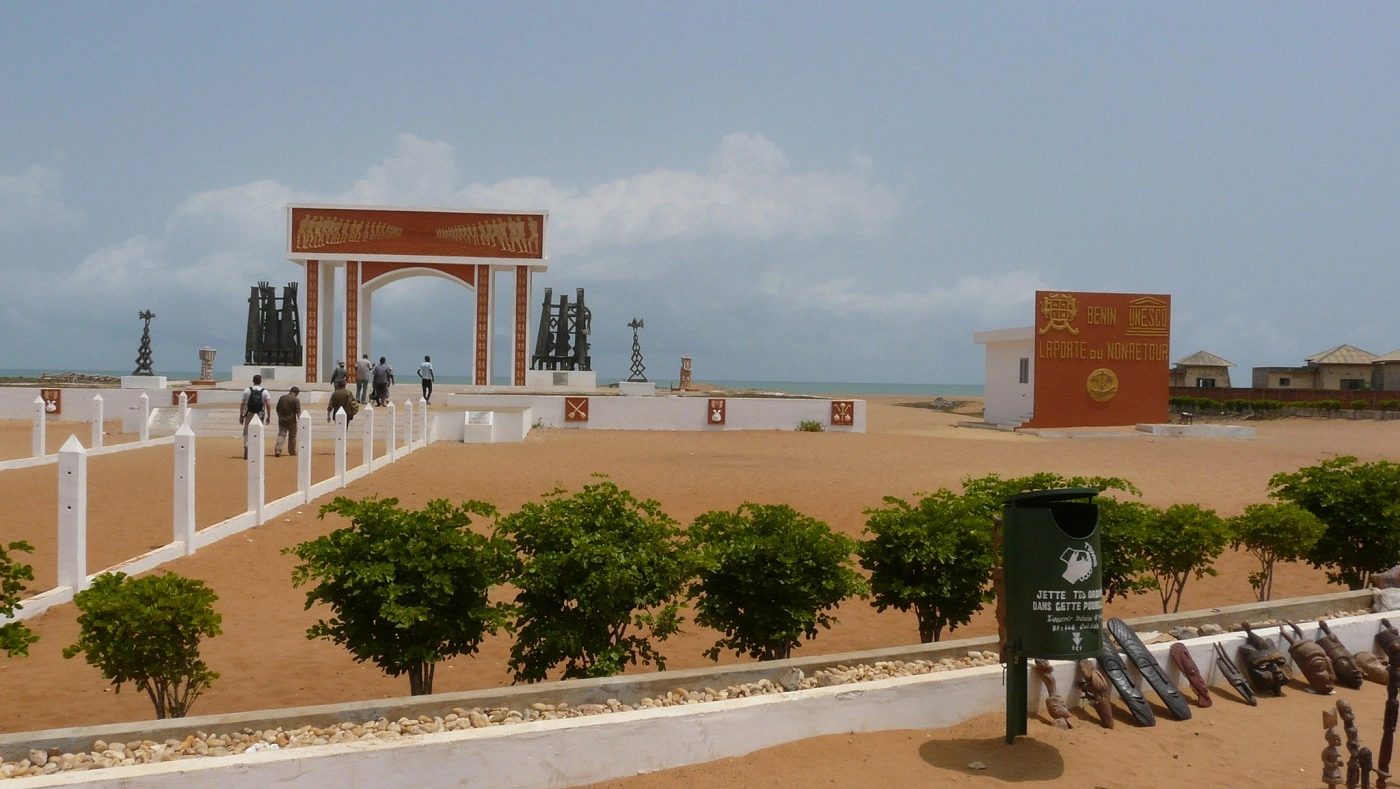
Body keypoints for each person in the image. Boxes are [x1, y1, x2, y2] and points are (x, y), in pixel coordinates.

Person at [239, 374, 270, 460]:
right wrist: (268, 416)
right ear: (260, 381)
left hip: (249, 413)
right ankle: (257, 449)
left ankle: (246, 447)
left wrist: (241, 415)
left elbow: (242, 403)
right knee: (259, 430)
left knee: (247, 431)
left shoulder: (247, 390)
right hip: (260, 413)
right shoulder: (265, 391)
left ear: (253, 381)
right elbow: (268, 404)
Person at [274, 386, 302, 457]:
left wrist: (280, 417)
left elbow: (277, 409)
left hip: (282, 420)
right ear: (296, 393)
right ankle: (292, 451)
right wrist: (300, 420)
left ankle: (278, 450)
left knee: (281, 435)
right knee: (292, 436)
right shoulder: (296, 400)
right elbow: (298, 411)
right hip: (292, 420)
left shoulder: (282, 398)